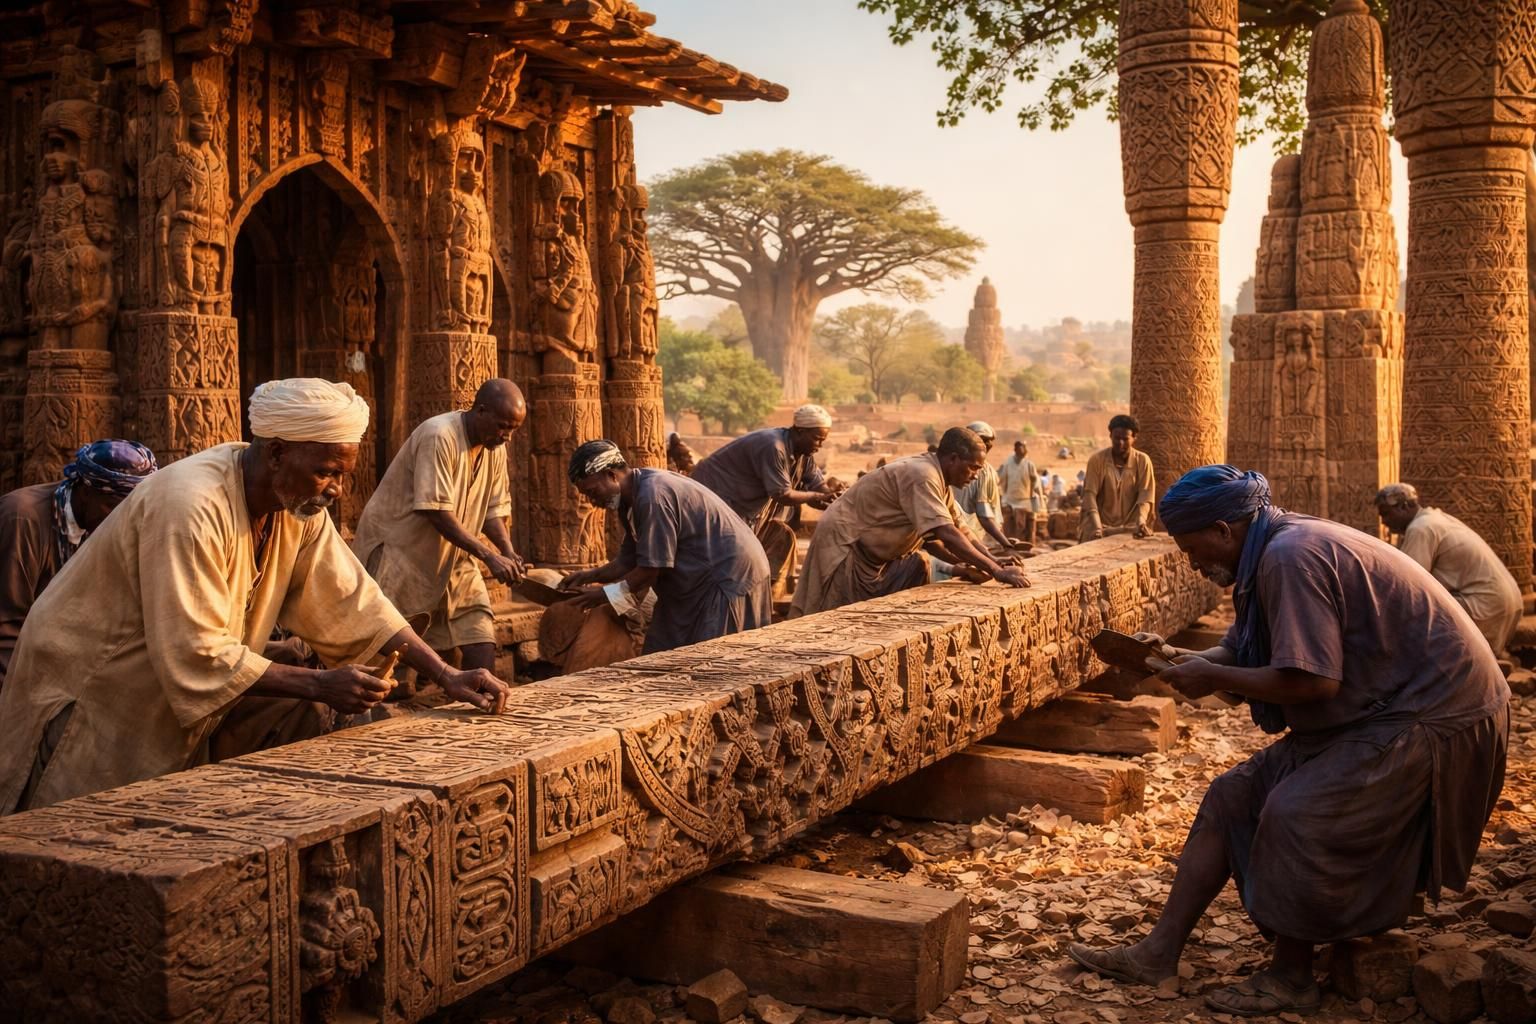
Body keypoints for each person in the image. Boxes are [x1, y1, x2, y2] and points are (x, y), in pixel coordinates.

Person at [1069, 466, 1508, 1017]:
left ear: (1225, 530)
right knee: (1232, 795)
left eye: (1192, 546)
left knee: (1297, 812)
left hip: (1435, 713)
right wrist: (1184, 660)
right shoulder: (1269, 548)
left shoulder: (1289, 556)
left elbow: (1313, 681)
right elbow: (1247, 651)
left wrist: (1215, 678)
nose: (1191, 561)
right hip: (1378, 707)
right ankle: (1157, 952)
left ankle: (1291, 976)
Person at [0, 378, 510, 814]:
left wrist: (446, 673)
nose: (335, 489)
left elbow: (356, 601)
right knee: (74, 833)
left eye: (342, 476)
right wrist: (318, 684)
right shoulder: (190, 504)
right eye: (327, 472)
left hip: (164, 691)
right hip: (95, 690)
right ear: (277, 453)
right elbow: (196, 653)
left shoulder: (297, 508)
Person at [353, 378, 529, 673]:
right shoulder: (440, 435)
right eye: (503, 426)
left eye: (513, 429)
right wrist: (488, 556)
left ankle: (483, 703)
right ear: (480, 411)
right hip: (404, 553)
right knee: (381, 647)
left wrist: (508, 551)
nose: (507, 436)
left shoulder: (494, 447)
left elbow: (492, 510)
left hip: (456, 558)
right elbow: (434, 510)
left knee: (480, 634)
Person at [791, 427, 1031, 617]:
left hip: (874, 557)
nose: (975, 475)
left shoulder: (940, 482)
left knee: (918, 564)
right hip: (847, 547)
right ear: (953, 459)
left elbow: (960, 532)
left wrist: (991, 560)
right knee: (835, 615)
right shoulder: (922, 475)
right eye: (972, 468)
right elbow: (946, 534)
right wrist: (997, 571)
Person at [561, 439, 771, 653]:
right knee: (660, 653)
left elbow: (649, 572)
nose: (591, 500)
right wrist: (588, 576)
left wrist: (603, 595)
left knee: (713, 660)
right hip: (695, 582)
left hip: (726, 577)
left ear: (611, 475)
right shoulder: (630, 500)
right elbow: (627, 560)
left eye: (592, 491)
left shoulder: (652, 498)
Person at [0, 439, 157, 690]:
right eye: (113, 507)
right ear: (85, 491)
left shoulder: (114, 526)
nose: (121, 519)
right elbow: (6, 630)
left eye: (130, 511)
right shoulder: (22, 519)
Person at [690, 403, 845, 585]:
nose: (819, 445)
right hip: (715, 497)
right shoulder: (773, 446)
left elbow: (818, 487)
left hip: (743, 509)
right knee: (724, 563)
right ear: (801, 431)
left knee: (767, 548)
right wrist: (817, 497)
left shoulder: (804, 455)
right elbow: (782, 494)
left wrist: (833, 495)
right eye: (817, 439)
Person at [1376, 482, 1522, 652]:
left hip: (1484, 607)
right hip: (1507, 604)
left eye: (1386, 514)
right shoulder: (1436, 518)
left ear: (1403, 506)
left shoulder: (1421, 529)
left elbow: (1408, 584)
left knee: (1407, 617)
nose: (1384, 521)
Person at [949, 421, 1023, 556]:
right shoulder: (983, 471)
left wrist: (1002, 540)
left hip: (961, 535)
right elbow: (984, 515)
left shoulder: (955, 465)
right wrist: (1005, 544)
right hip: (970, 536)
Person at [1080, 413, 1155, 541]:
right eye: (1116, 438)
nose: (1120, 443)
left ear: (1134, 438)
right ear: (1110, 436)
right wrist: (1098, 528)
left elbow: (1145, 496)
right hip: (1100, 524)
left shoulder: (1142, 460)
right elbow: (1090, 495)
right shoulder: (1097, 460)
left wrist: (1141, 521)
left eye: (1125, 439)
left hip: (1130, 527)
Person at [997, 439, 1039, 545]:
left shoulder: (1029, 464)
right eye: (1019, 447)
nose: (1021, 449)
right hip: (1010, 499)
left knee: (1028, 525)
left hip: (1026, 501)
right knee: (1009, 525)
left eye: (1023, 447)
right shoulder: (1008, 463)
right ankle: (1010, 545)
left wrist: (1035, 503)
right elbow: (1002, 481)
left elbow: (1035, 484)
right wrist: (1003, 499)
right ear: (1015, 449)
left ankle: (1027, 545)